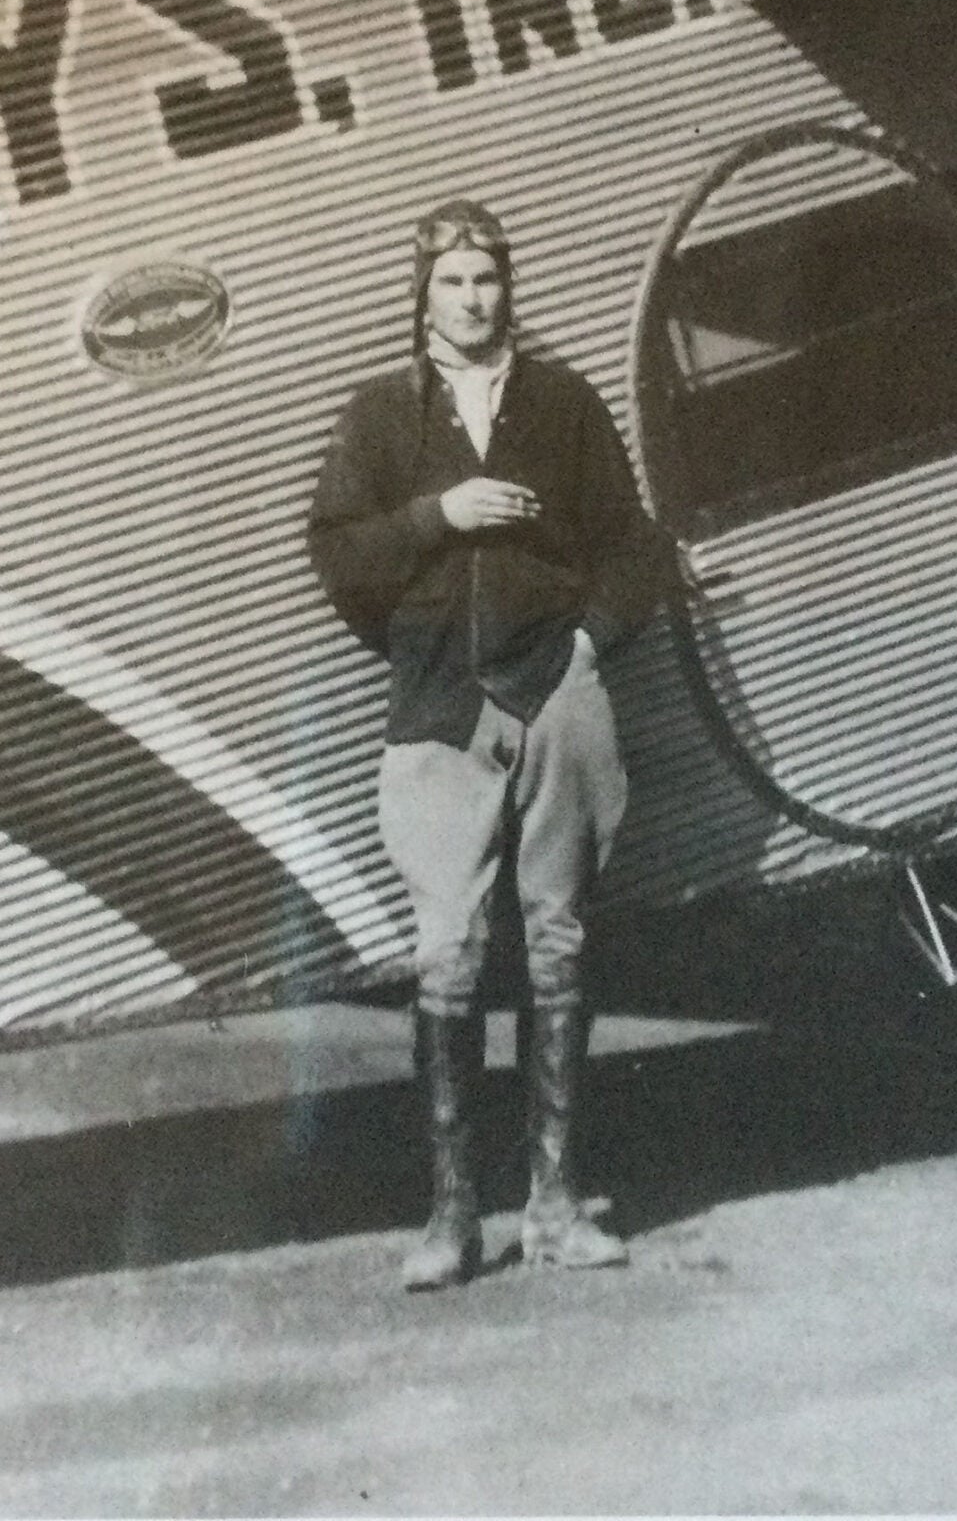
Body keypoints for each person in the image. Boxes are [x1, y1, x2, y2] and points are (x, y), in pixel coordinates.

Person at [306, 198, 672, 1288]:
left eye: (490, 278)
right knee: (449, 951)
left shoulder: (562, 404)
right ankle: (452, 1218)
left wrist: (589, 646)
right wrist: (439, 519)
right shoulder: (379, 418)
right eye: (455, 279)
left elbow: (634, 549)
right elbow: (340, 559)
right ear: (421, 290)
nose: (476, 298)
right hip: (436, 711)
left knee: (558, 941)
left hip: (551, 695)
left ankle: (555, 1206)